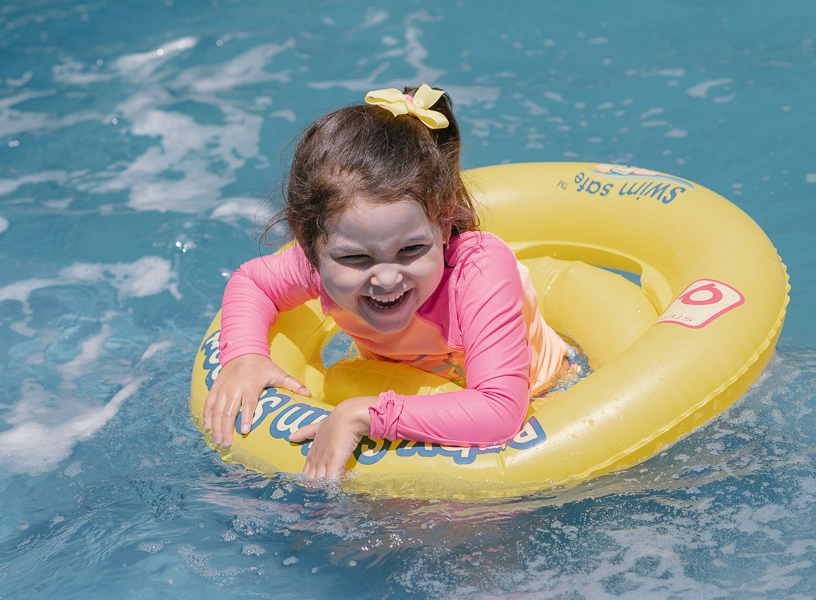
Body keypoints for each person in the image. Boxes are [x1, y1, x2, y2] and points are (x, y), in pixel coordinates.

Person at [203, 84, 569, 479]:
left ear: (444, 224)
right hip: (403, 388)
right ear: (307, 242)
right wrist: (245, 356)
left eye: (411, 249)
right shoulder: (315, 265)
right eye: (356, 258)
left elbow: (500, 410)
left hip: (542, 396)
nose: (388, 277)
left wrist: (362, 414)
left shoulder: (478, 269)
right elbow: (252, 282)